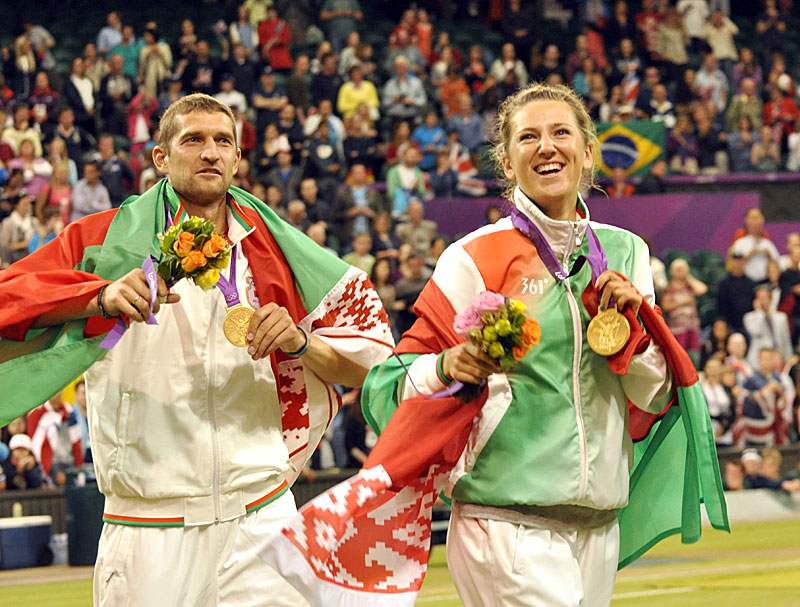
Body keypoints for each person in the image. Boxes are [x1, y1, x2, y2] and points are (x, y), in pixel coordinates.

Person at [0, 93, 393, 606]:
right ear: (161, 158)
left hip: (261, 514)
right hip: (149, 526)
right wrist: (95, 296)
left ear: (236, 159)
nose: (210, 152)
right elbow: (12, 301)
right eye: (193, 140)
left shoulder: (279, 251)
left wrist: (301, 341)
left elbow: (367, 369)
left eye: (222, 141)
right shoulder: (102, 242)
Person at [364, 83, 680, 607]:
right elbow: (389, 385)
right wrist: (448, 365)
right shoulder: (473, 257)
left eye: (561, 132)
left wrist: (637, 331)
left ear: (588, 151)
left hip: (598, 524)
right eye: (528, 137)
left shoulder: (627, 252)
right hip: (505, 522)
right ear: (508, 164)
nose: (547, 146)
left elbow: (654, 394)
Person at [661, 258, 707, 365]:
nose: (680, 271)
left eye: (682, 269)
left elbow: (702, 289)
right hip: (677, 328)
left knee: (694, 357)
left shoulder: (689, 286)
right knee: (679, 357)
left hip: (692, 327)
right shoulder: (669, 288)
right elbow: (666, 306)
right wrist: (683, 303)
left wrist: (689, 278)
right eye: (677, 269)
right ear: (671, 271)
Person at [743, 285, 793, 368]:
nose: (762, 301)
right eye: (759, 298)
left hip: (778, 359)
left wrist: (788, 359)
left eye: (764, 297)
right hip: (758, 362)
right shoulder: (749, 317)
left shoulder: (781, 317)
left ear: (770, 299)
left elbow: (785, 340)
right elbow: (756, 331)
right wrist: (759, 312)